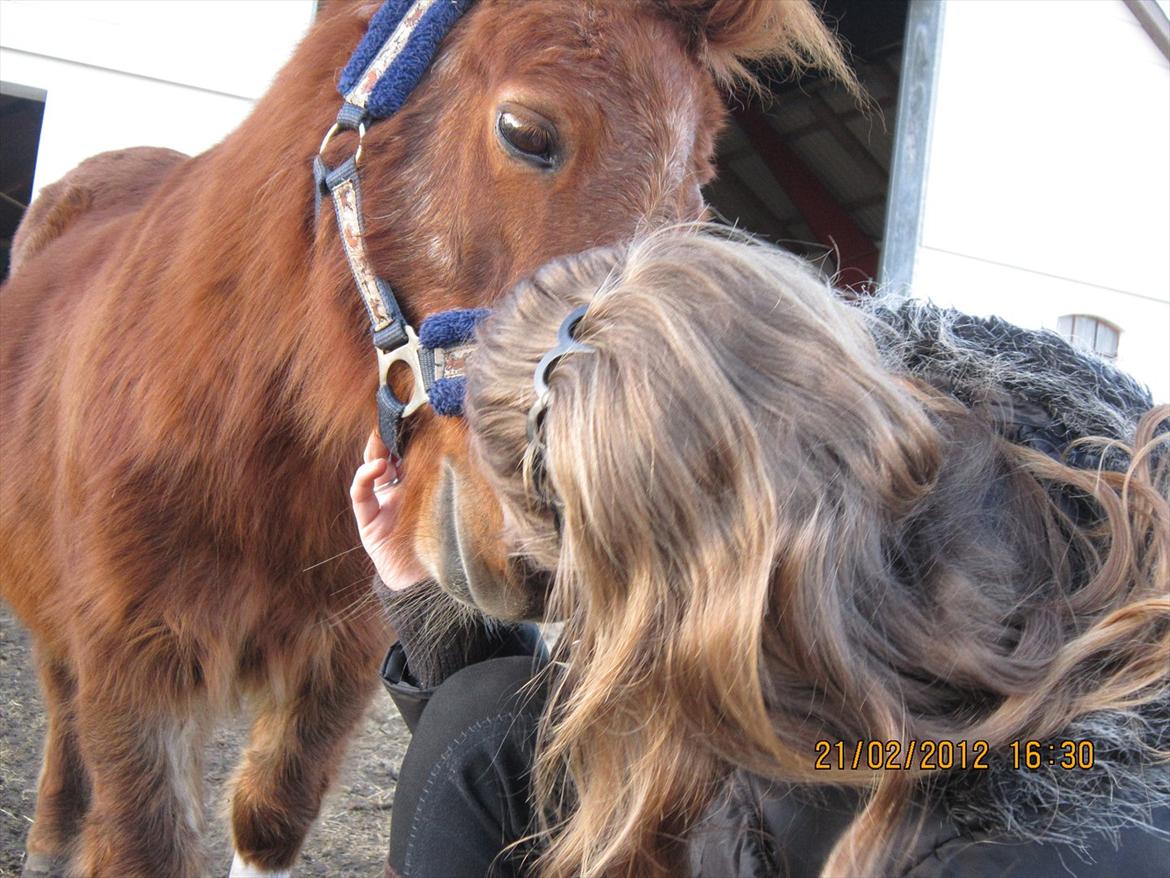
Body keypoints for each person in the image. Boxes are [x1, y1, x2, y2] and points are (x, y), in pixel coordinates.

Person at [351, 226, 1170, 878]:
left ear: (631, 567)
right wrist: (423, 588)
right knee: (481, 729)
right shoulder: (891, 477)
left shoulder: (959, 839)